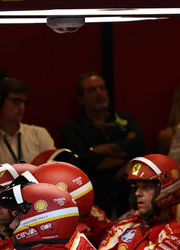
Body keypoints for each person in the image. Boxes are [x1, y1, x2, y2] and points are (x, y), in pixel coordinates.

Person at [60, 72, 145, 217]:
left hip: (130, 201)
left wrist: (97, 149)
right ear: (81, 99)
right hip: (95, 204)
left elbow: (139, 147)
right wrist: (127, 156)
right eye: (92, 90)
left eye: (102, 88)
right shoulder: (72, 128)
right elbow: (89, 162)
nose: (99, 93)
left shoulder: (126, 120)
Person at [0, 77, 55, 167]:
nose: (22, 107)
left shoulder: (39, 134)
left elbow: (53, 168)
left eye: (24, 102)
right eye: (16, 101)